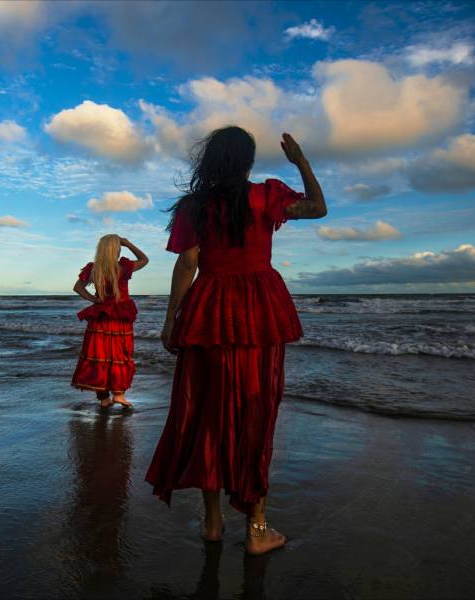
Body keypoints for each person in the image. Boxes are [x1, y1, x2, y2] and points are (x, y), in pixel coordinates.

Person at [145, 128, 327, 555]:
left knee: (208, 411)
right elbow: (318, 208)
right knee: (255, 415)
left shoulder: (195, 206)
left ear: (210, 160)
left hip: (208, 308)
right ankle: (257, 528)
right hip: (258, 309)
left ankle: (213, 521)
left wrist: (170, 319)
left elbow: (187, 264)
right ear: (247, 161)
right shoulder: (266, 195)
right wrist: (300, 160)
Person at [71, 235, 148, 408]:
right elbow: (144, 259)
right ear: (116, 248)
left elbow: (77, 288)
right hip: (119, 318)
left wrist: (95, 300)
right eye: (119, 246)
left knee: (100, 355)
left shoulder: (95, 269)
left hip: (100, 318)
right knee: (120, 354)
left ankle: (104, 398)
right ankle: (119, 395)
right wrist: (128, 243)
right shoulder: (123, 267)